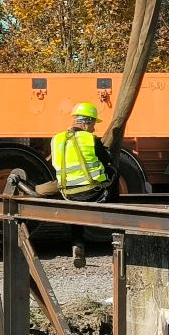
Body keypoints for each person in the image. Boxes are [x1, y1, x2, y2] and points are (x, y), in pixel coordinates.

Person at [51, 102, 115, 264]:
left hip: (67, 193)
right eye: (93, 124)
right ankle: (116, 223)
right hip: (92, 192)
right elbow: (106, 160)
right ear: (86, 122)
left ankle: (78, 242)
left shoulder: (56, 139)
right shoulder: (90, 138)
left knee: (75, 207)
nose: (94, 128)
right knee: (113, 172)